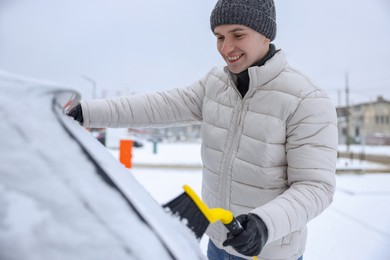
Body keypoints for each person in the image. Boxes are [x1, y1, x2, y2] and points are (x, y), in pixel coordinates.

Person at [67, 0, 338, 259]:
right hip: (218, 244)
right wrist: (86, 112)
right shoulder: (215, 84)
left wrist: (264, 224)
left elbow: (315, 186)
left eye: (237, 35)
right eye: (219, 37)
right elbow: (157, 106)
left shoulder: (305, 99)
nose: (226, 47)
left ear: (265, 34)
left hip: (269, 251)